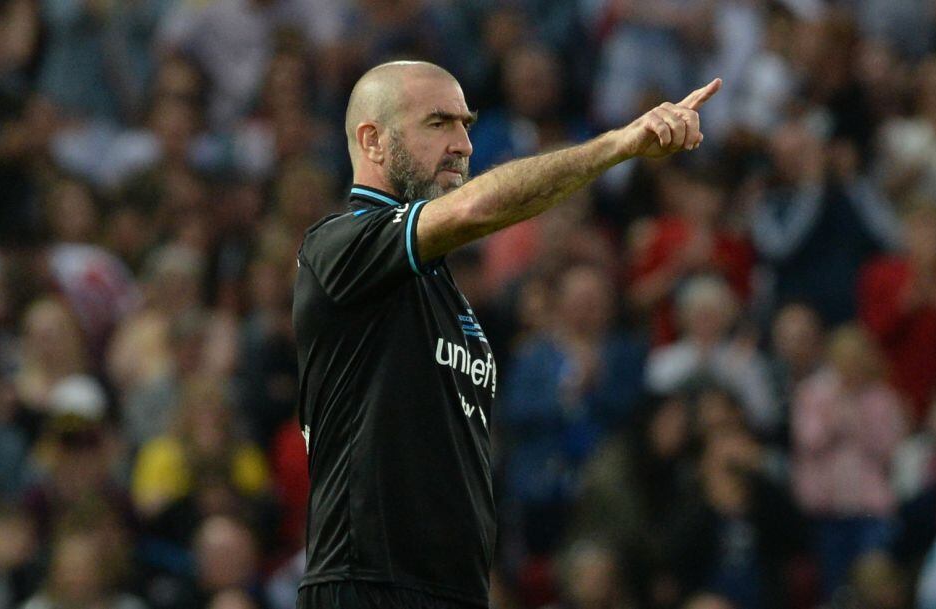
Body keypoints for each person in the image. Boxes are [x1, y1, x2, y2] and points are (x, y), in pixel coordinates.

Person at [293, 60, 720, 609]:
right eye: (439, 123)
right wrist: (618, 146)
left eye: (467, 124)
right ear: (373, 140)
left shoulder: (441, 291)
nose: (464, 144)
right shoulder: (339, 246)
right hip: (367, 584)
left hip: (453, 591)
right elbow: (475, 207)